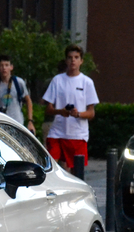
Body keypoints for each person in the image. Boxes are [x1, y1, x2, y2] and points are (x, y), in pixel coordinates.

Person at [42, 44, 99, 174]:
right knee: (51, 168)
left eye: (76, 57)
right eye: (70, 57)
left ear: (81, 61)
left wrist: (78, 114)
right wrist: (60, 111)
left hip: (78, 134)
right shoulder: (57, 80)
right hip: (57, 132)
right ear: (66, 60)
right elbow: (48, 108)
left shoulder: (87, 82)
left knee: (76, 172)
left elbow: (91, 112)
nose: (73, 60)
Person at [0, 55, 36, 134]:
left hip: (17, 122)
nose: (4, 68)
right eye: (1, 65)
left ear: (11, 67)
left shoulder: (19, 83)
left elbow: (28, 100)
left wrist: (30, 121)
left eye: (6, 65)